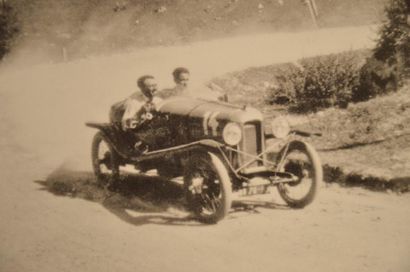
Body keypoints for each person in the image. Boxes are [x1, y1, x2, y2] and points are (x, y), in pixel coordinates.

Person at [109, 75, 163, 154]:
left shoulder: (159, 100)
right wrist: (140, 113)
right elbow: (126, 125)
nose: (155, 88)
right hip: (142, 135)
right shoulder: (134, 103)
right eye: (151, 86)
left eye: (155, 85)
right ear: (142, 88)